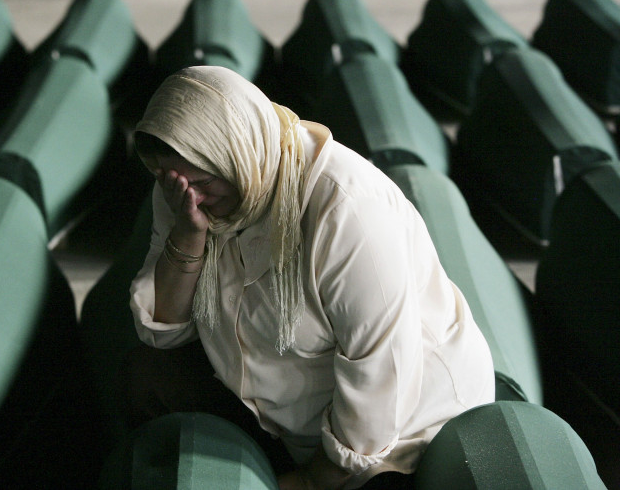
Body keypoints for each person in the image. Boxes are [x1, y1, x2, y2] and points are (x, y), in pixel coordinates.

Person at [124, 65, 495, 489]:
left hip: (397, 426)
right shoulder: (183, 189)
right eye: (171, 181)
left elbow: (381, 371)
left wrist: (311, 480)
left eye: (205, 182)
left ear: (237, 153)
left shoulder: (346, 208)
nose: (192, 197)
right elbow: (163, 332)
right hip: (278, 394)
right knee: (148, 376)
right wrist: (189, 235)